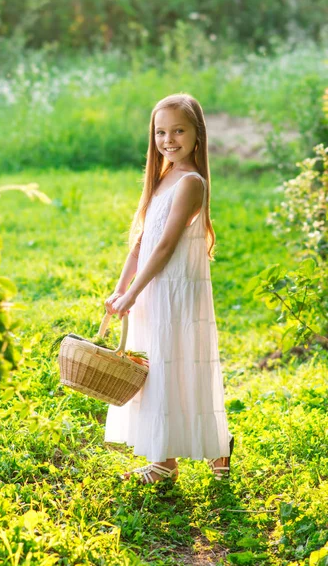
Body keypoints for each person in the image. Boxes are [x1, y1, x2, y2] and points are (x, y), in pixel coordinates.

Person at [103, 92, 234, 485]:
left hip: (174, 290)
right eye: (161, 132)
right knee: (156, 371)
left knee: (177, 366)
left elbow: (165, 246)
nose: (169, 140)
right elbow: (142, 244)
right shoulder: (162, 178)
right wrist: (119, 289)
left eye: (178, 130)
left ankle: (210, 447)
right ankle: (166, 459)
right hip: (151, 289)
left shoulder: (191, 182)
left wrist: (133, 293)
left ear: (198, 134)